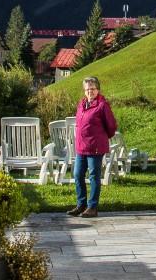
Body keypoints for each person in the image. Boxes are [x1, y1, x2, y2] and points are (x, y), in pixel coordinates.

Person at [66, 75, 118, 218]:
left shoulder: (102, 105)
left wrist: (101, 137)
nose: (90, 91)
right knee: (78, 174)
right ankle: (81, 205)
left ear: (98, 90)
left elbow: (111, 126)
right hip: (81, 147)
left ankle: (92, 207)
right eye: (87, 89)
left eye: (93, 89)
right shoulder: (81, 104)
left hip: (95, 147)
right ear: (84, 91)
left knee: (94, 176)